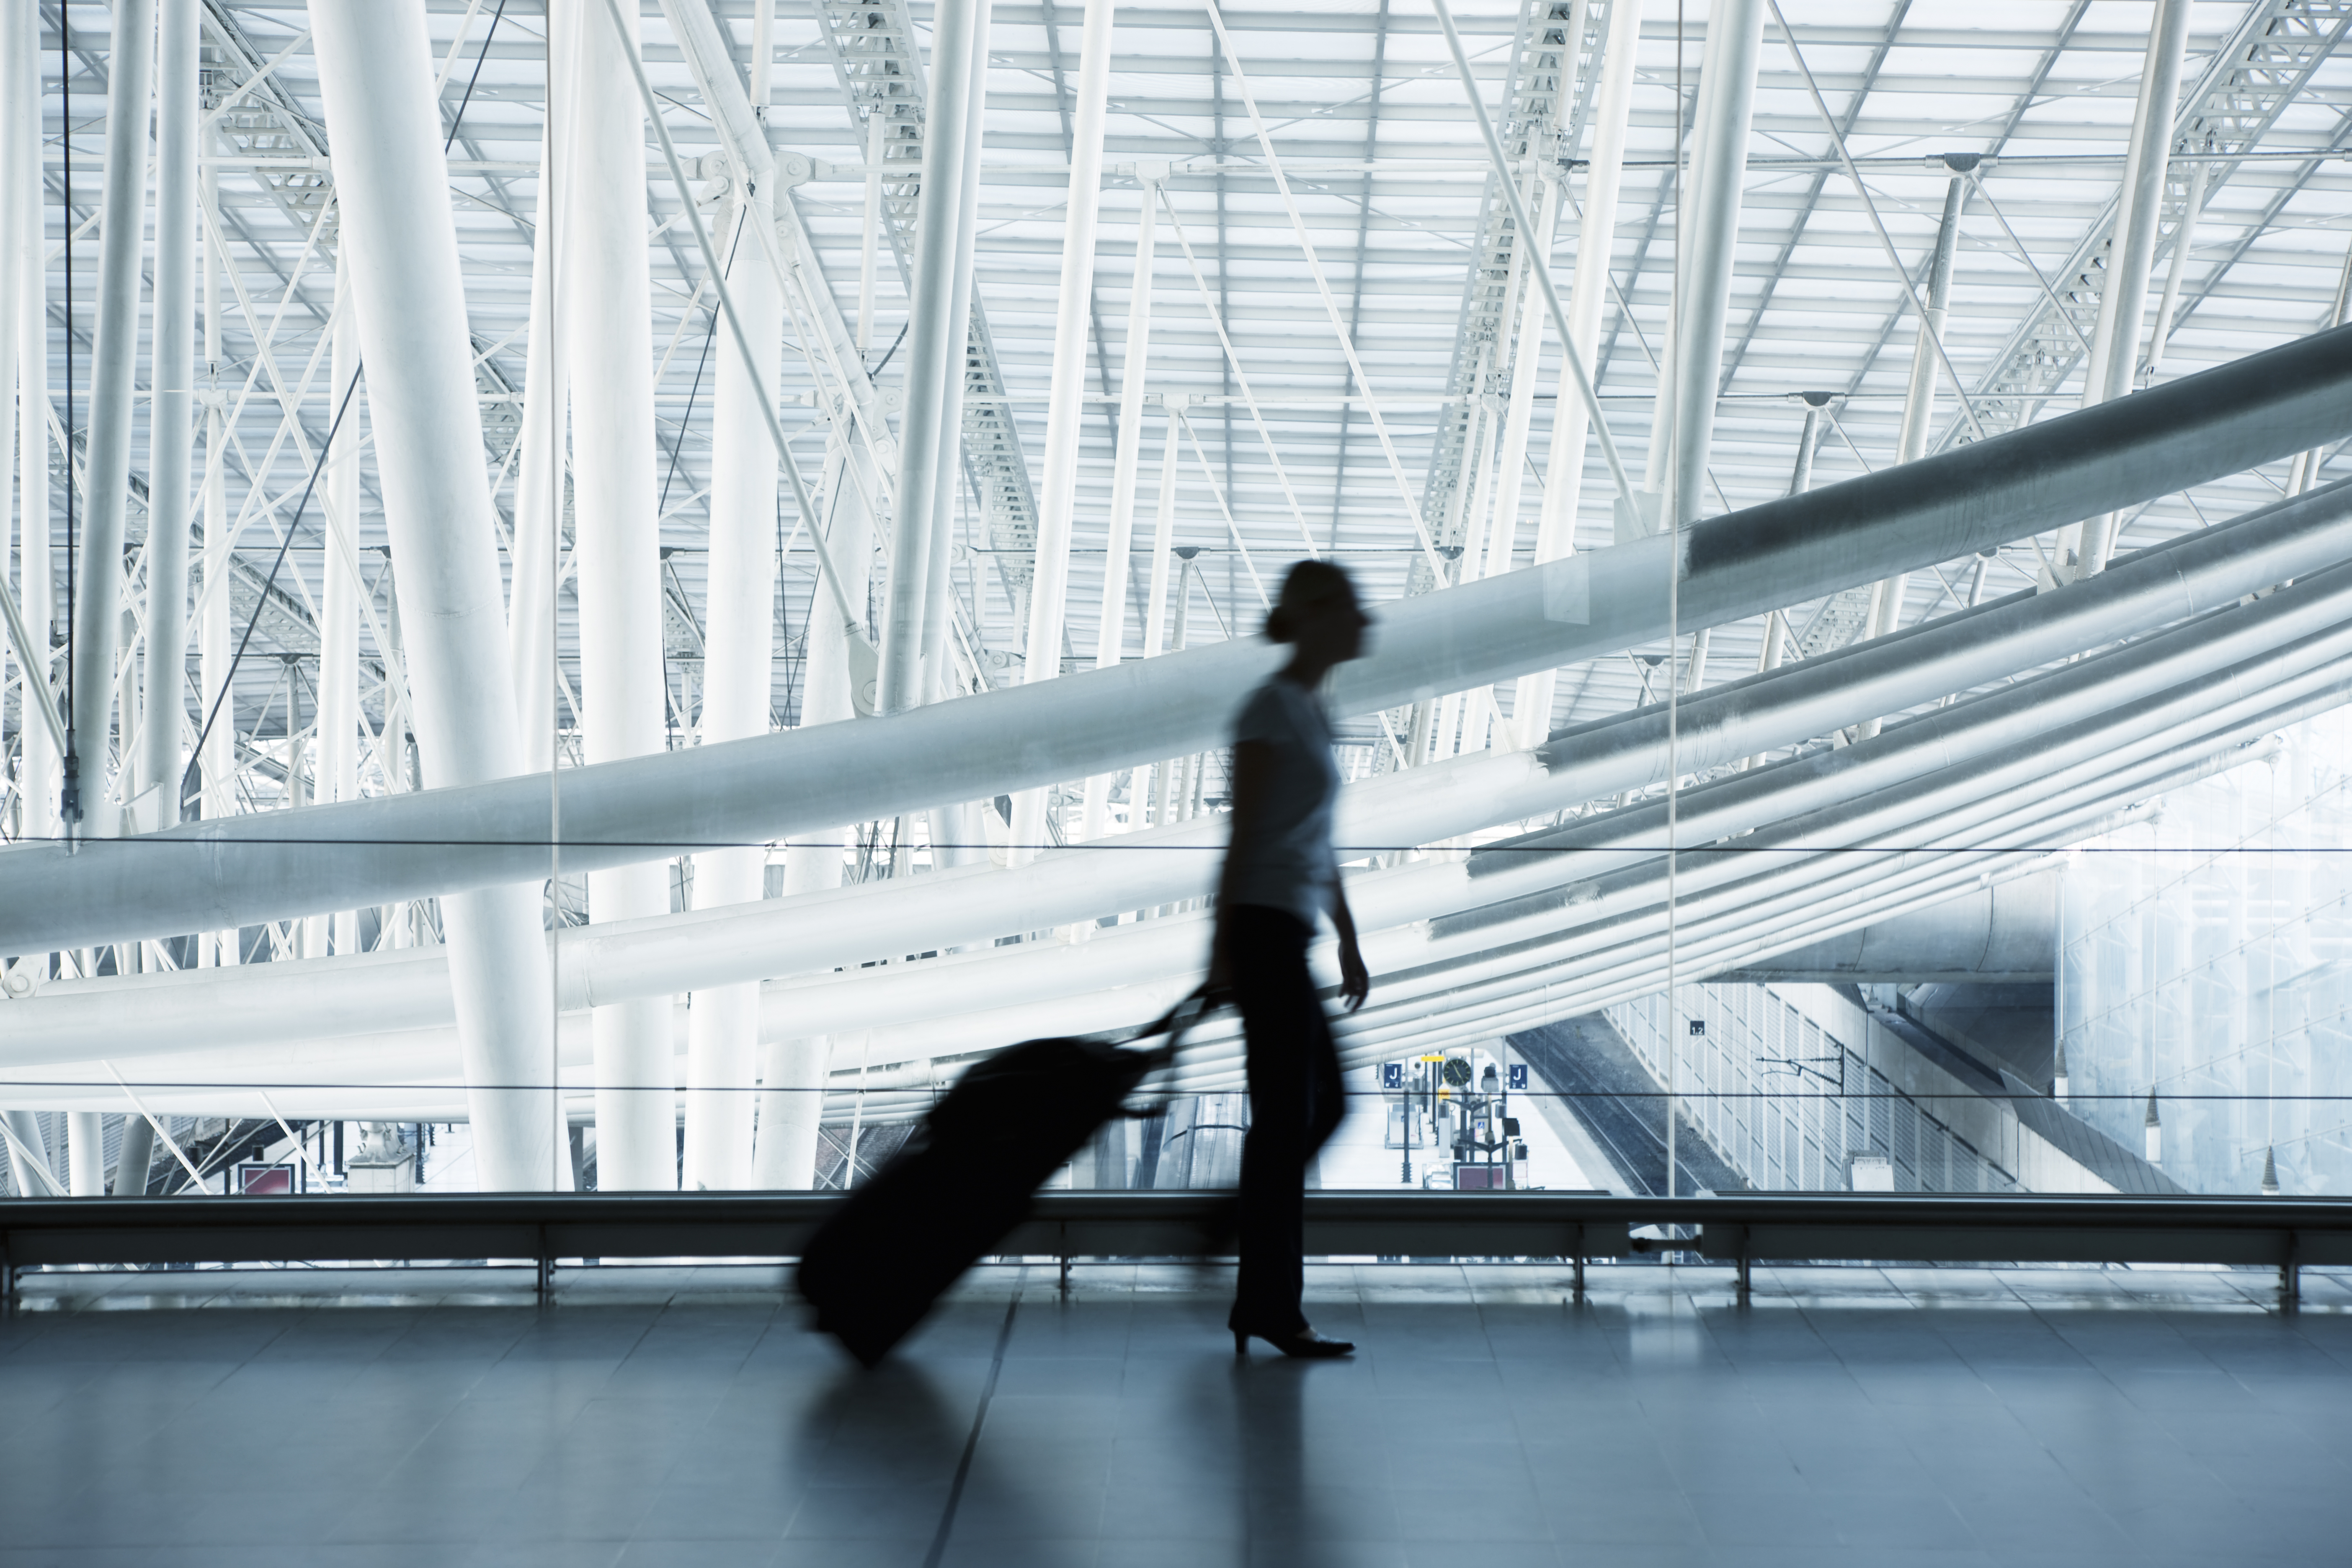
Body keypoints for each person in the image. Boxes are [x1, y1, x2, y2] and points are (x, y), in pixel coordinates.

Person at [1206, 559, 1372, 1359]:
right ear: (1310, 617)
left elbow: (1319, 840)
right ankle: (1270, 1302)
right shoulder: (1268, 710)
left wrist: (1347, 933)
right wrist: (1221, 952)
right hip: (1263, 935)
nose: (1362, 620)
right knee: (1295, 1116)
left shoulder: (1313, 711)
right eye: (1348, 607)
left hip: (1291, 933)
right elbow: (1242, 837)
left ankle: (1249, 1269)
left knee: (1313, 1111)